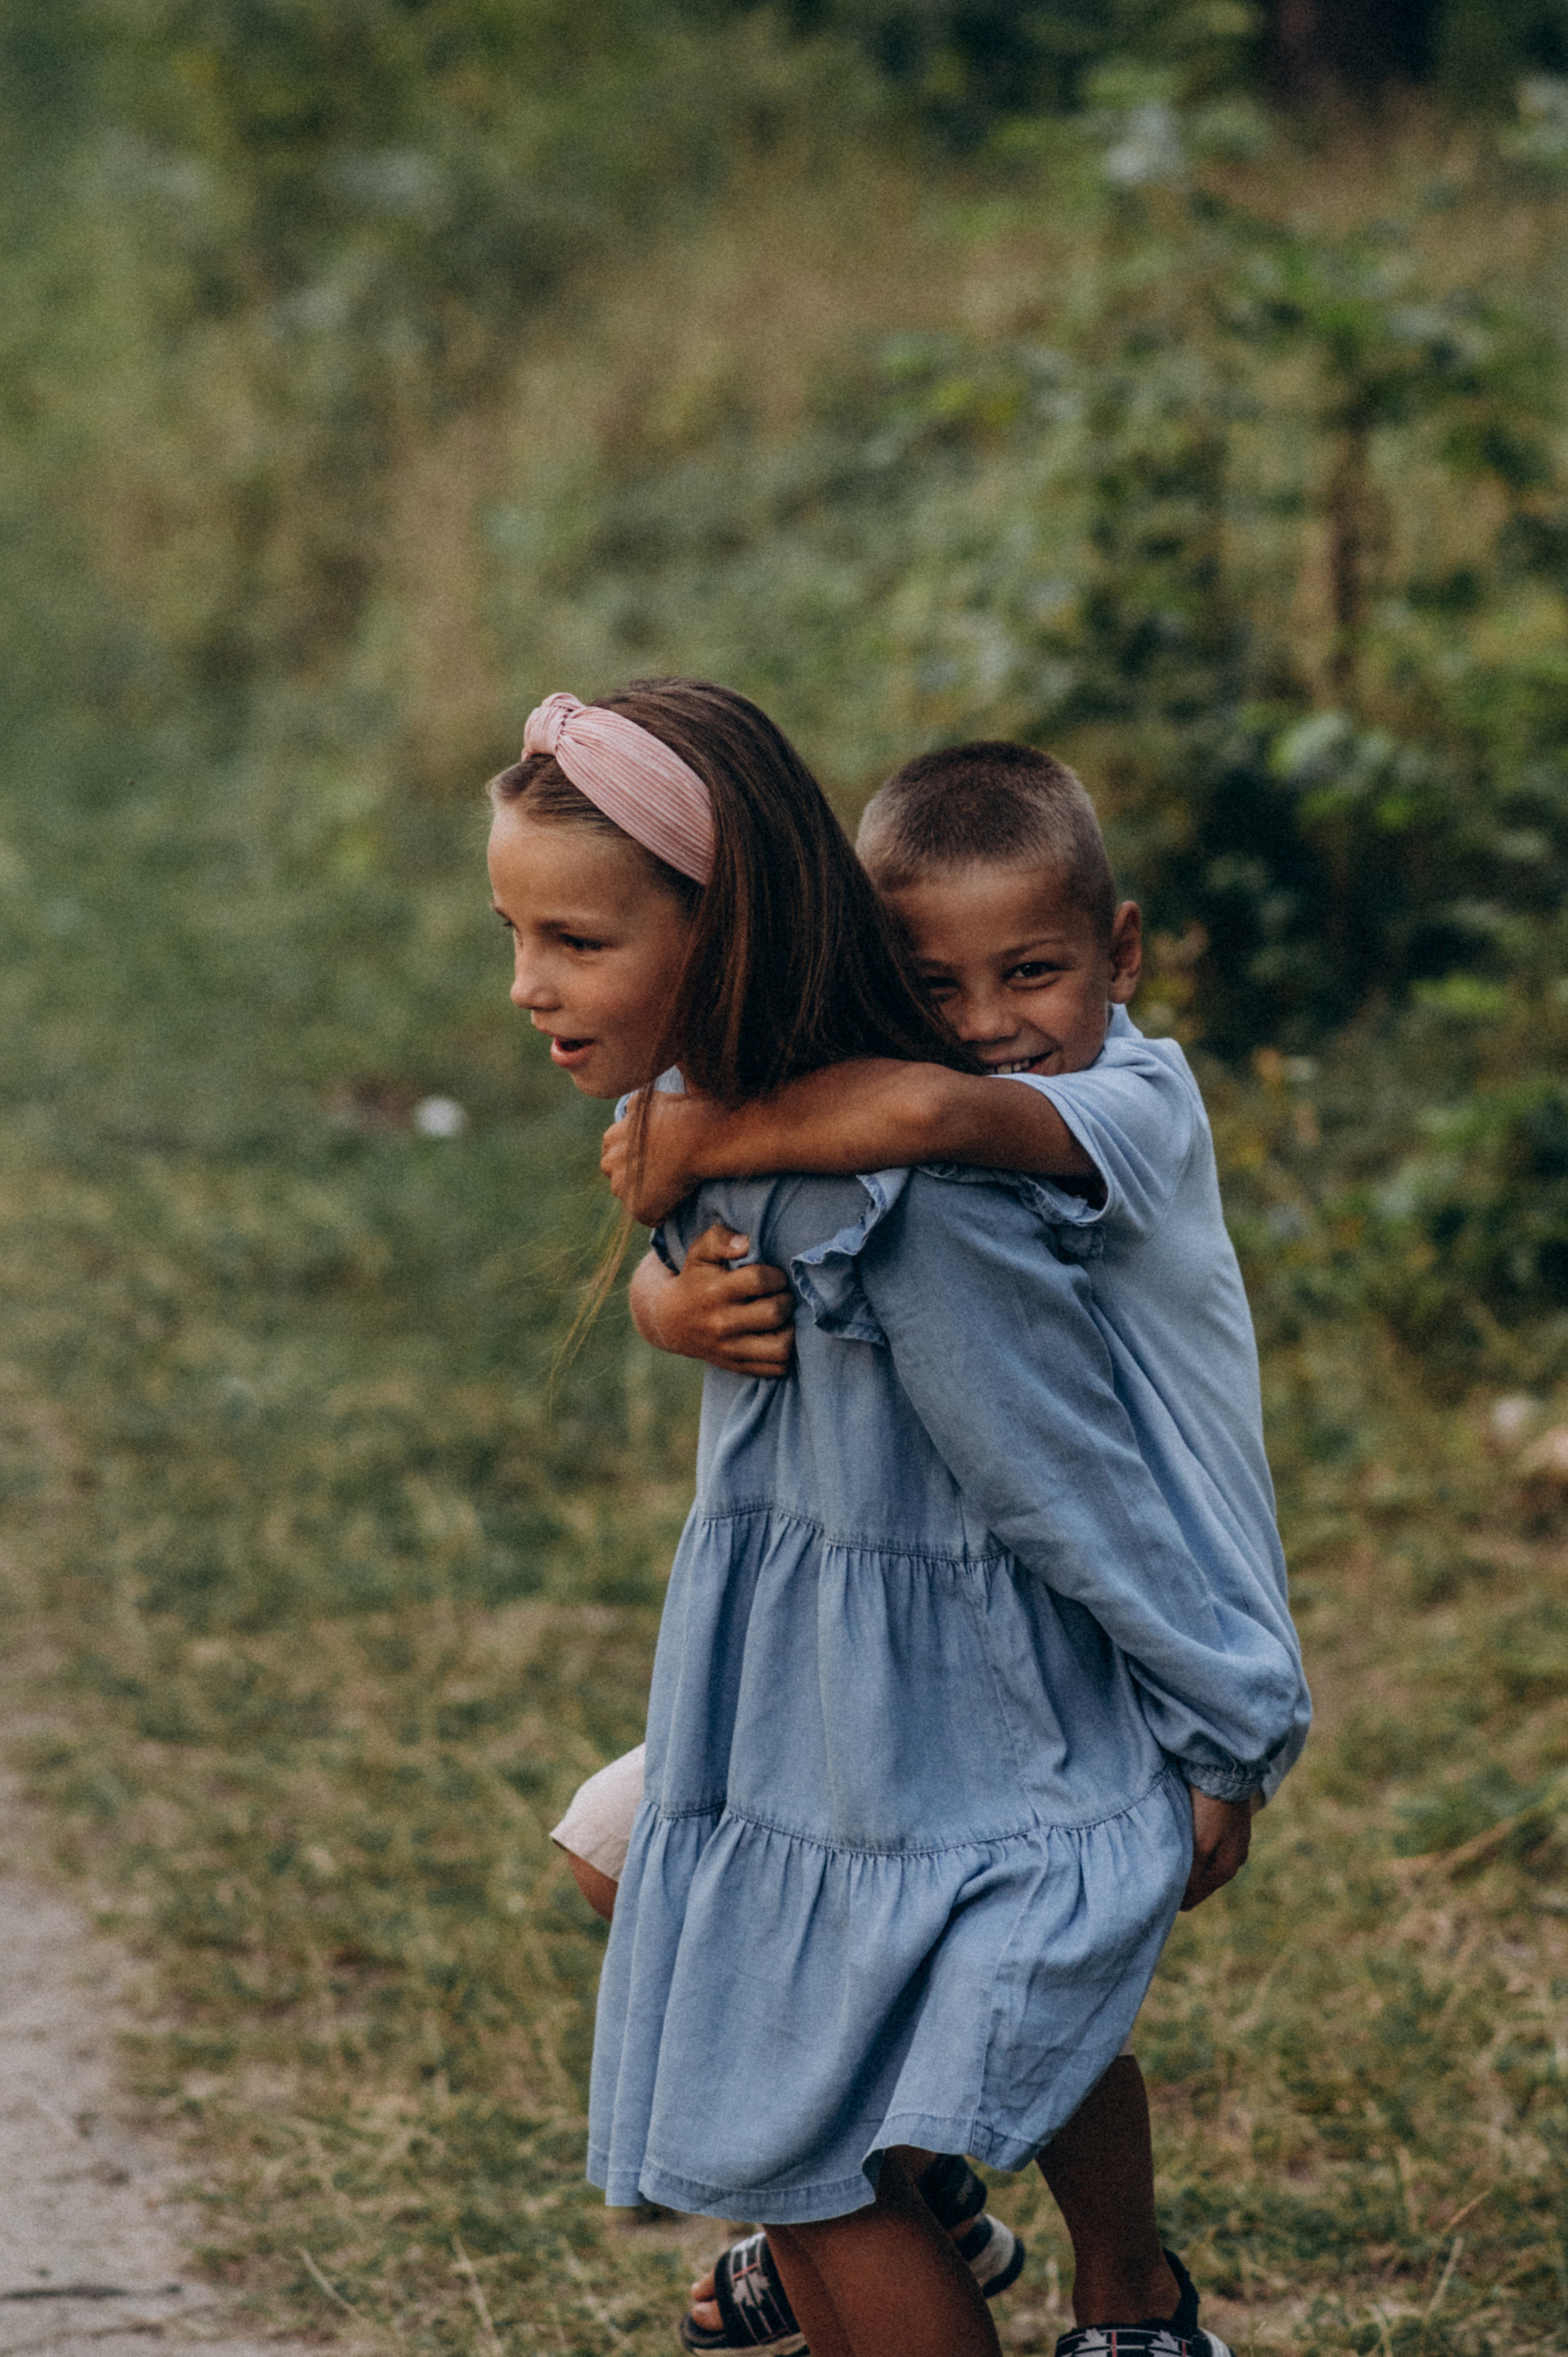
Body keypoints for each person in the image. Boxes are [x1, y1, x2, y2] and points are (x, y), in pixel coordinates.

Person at [491, 683, 1306, 2357]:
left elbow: (1057, 1460)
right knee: (624, 1859)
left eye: (569, 936)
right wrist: (666, 1285)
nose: (984, 1022)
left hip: (1114, 1639)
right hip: (841, 1688)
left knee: (891, 2026)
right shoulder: (771, 1120)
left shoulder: (1077, 1121)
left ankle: (1103, 2283)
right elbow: (708, 1253)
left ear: (1121, 953)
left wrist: (1229, 1728)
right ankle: (930, 2197)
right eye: (932, 982)